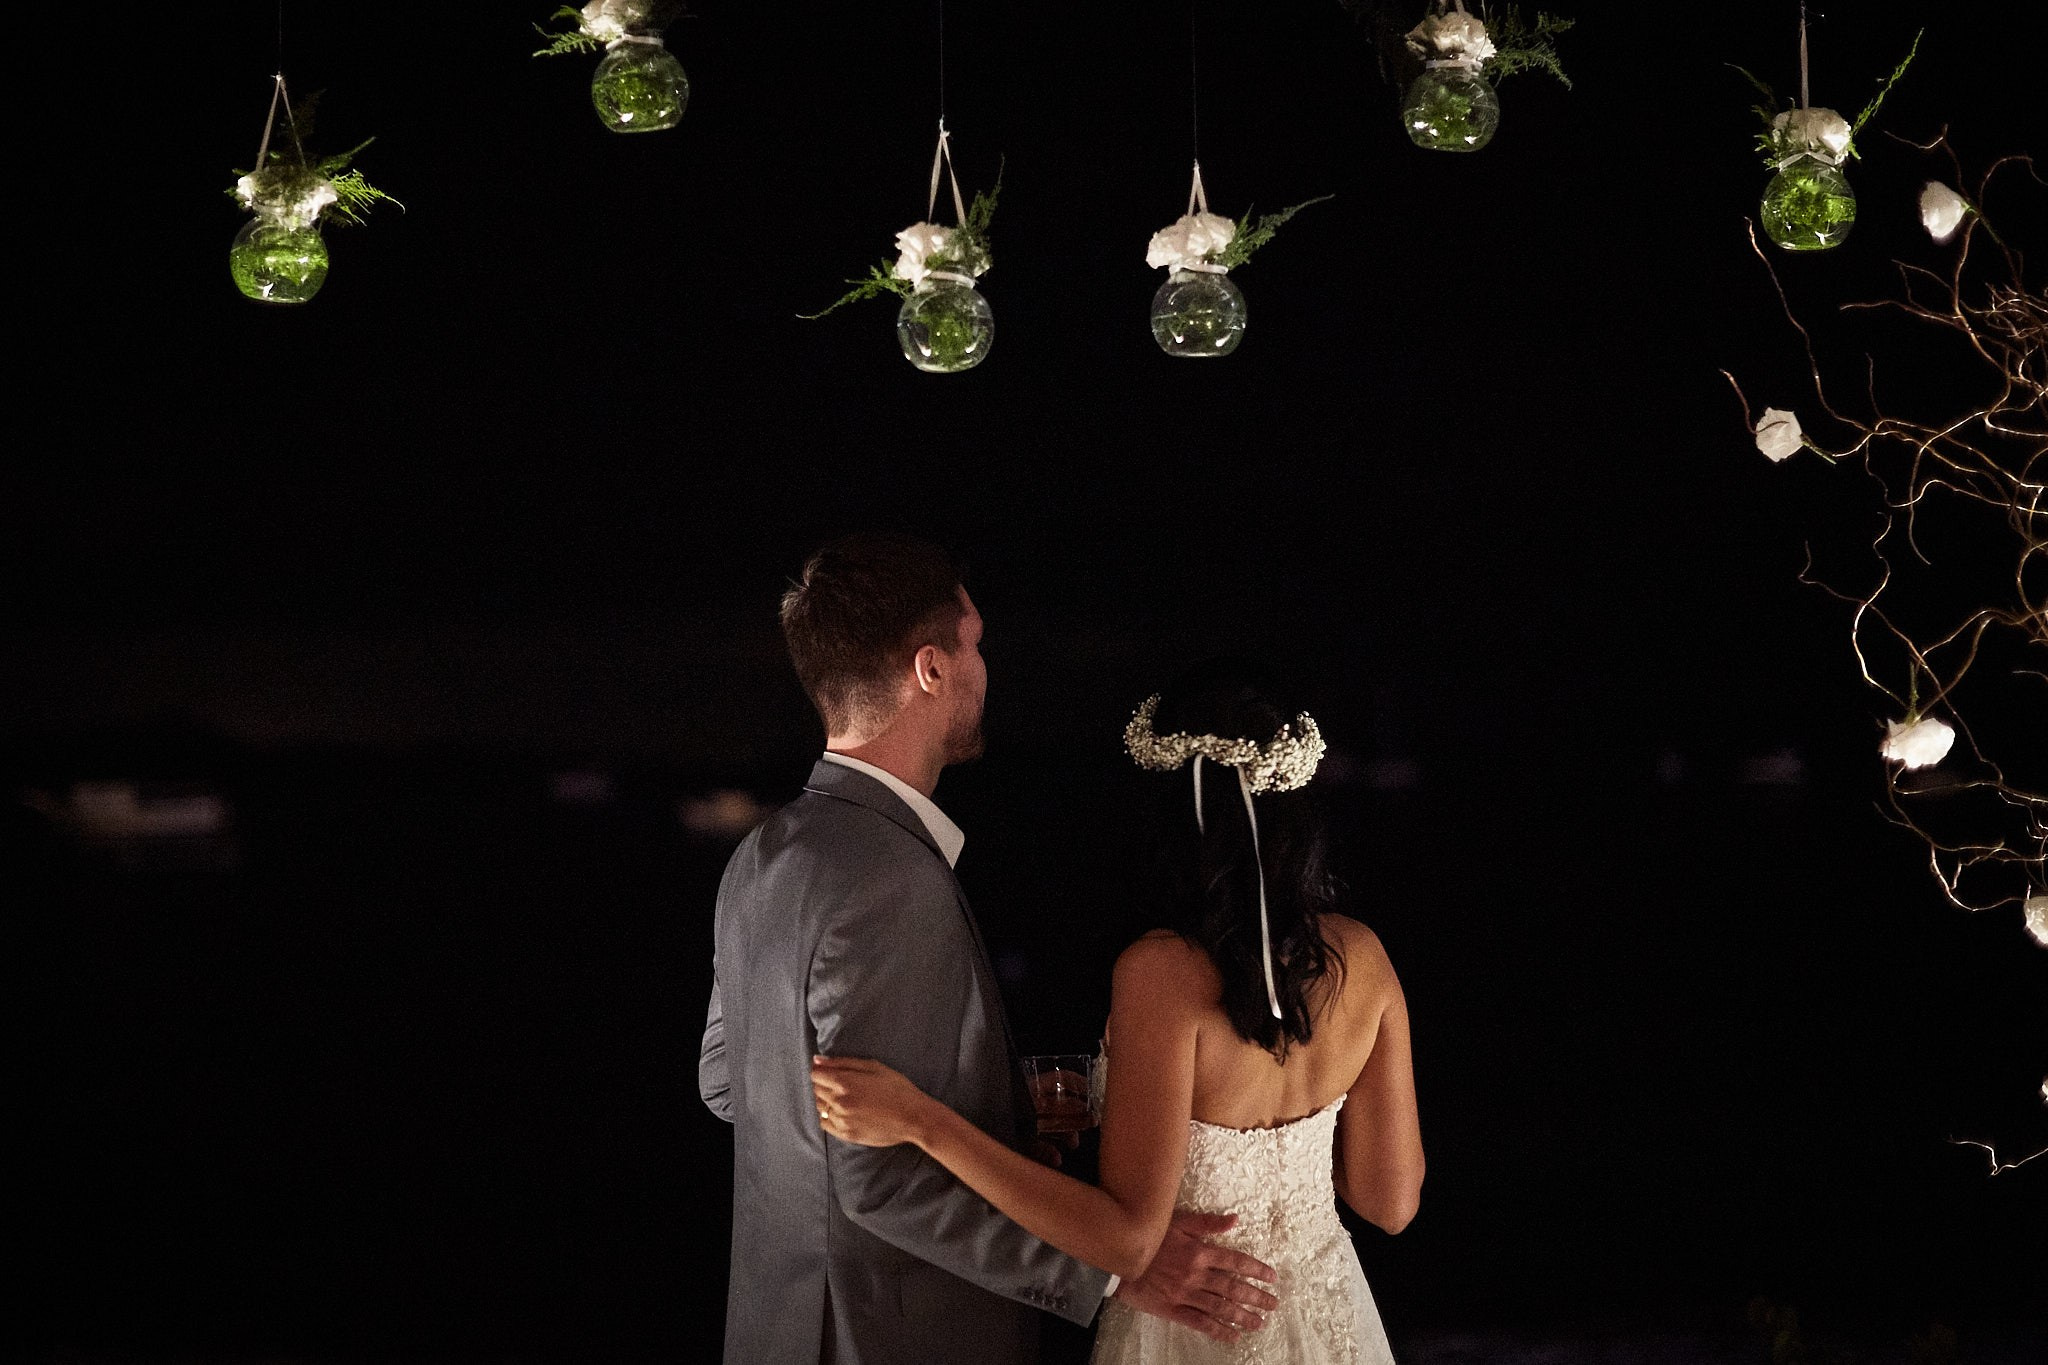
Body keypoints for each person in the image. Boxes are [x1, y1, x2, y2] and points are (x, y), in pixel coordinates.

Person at [700, 536, 1283, 1365]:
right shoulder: (891, 875)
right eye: (975, 644)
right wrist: (1109, 1273)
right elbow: (879, 1181)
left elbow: (728, 1080)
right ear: (930, 669)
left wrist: (991, 1116)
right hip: (891, 1335)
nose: (985, 667)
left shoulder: (760, 855)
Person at [811, 658, 1426, 1364]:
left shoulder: (1160, 973)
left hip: (1190, 1333)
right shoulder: (1364, 958)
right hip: (1334, 1326)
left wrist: (923, 1120)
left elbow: (1126, 1241)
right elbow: (1391, 1202)